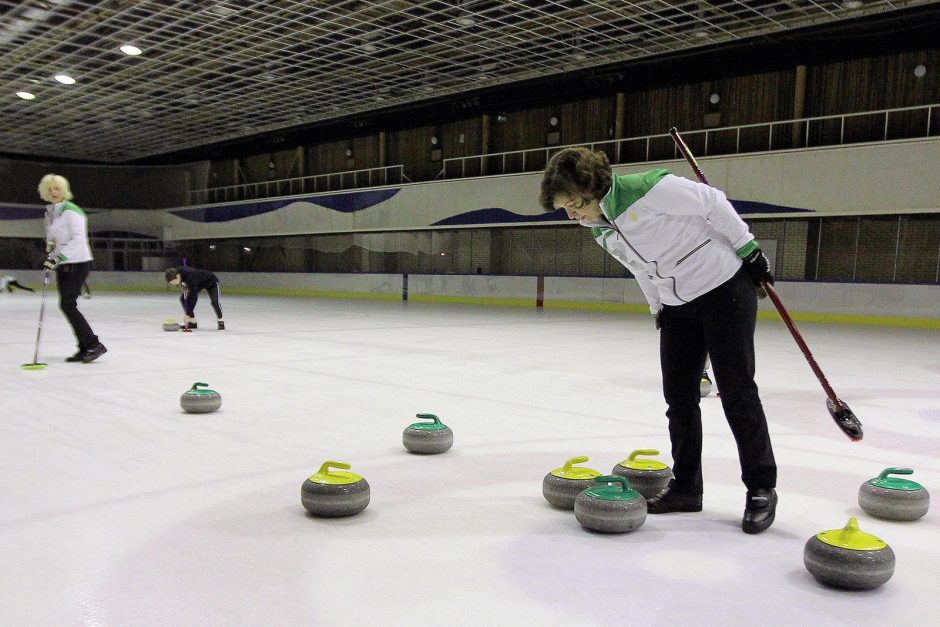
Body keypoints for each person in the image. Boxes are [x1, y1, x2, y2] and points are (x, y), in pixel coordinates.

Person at [539, 147, 777, 534]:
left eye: (575, 204)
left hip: (722, 288)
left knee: (737, 391)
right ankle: (687, 488)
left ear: (593, 186)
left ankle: (761, 487)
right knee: (679, 398)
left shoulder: (648, 189)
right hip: (676, 305)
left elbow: (713, 203)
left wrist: (749, 249)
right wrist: (658, 308)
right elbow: (639, 268)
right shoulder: (600, 227)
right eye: (564, 209)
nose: (572, 215)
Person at [39, 174, 107, 363]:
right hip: (63, 263)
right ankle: (85, 346)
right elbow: (53, 239)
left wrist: (58, 257)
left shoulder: (72, 211)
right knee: (67, 304)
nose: (53, 192)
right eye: (50, 189)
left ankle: (93, 344)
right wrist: (50, 251)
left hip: (78, 262)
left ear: (64, 191)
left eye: (57, 188)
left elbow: (78, 240)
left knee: (68, 304)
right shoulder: (50, 212)